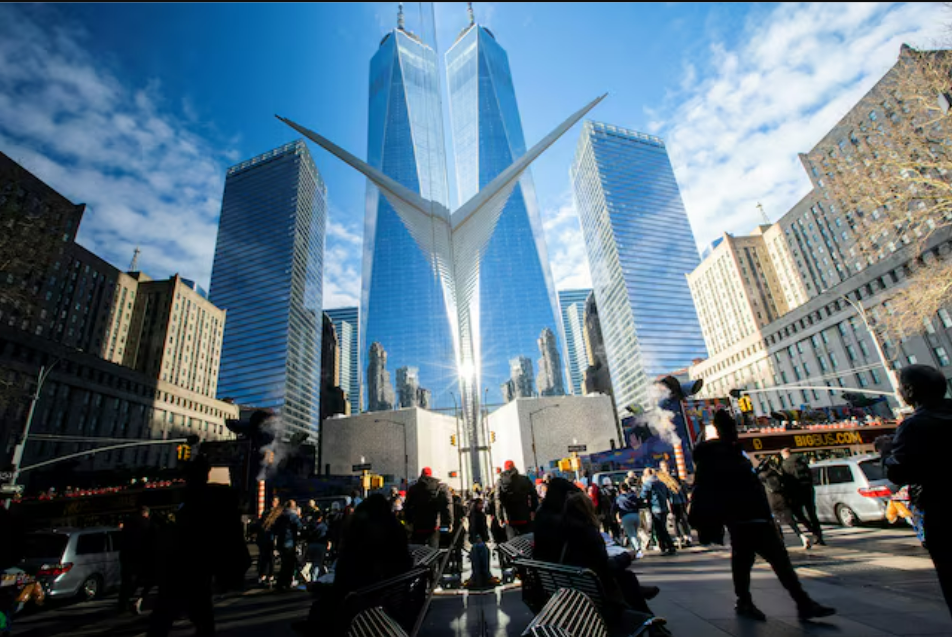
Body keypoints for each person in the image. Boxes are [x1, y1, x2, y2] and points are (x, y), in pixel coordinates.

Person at [689, 410, 835, 622]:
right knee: (773, 561)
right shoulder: (719, 455)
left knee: (748, 561)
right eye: (731, 428)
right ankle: (798, 602)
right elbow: (708, 489)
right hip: (744, 515)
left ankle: (754, 602)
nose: (735, 432)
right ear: (723, 431)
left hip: (749, 515)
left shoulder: (729, 453)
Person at [534, 479, 664, 634]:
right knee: (625, 578)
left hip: (562, 579)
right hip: (587, 586)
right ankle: (651, 621)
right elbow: (603, 566)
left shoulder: (549, 519)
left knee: (626, 578)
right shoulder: (582, 531)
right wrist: (626, 557)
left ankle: (639, 595)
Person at [147, 455, 250, 637]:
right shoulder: (218, 497)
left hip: (185, 565)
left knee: (168, 614)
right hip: (197, 566)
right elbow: (231, 531)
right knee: (199, 614)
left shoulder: (199, 499)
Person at [886, 364, 952, 618]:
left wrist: (886, 453)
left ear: (911, 391)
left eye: (901, 387)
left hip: (942, 511)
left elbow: (899, 471)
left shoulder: (914, 426)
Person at [297, 494, 414, 636]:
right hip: (384, 587)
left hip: (364, 590)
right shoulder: (394, 529)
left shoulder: (360, 533)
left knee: (325, 605)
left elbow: (346, 576)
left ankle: (315, 627)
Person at [757, 459, 811, 549]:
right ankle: (802, 536)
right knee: (791, 521)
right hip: (782, 499)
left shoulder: (761, 476)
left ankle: (780, 541)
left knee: (775, 523)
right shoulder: (776, 473)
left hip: (771, 501)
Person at [780, 448, 825, 545]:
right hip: (808, 490)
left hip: (796, 492)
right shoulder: (802, 462)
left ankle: (813, 531)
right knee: (812, 514)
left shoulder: (786, 465)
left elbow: (786, 480)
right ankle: (819, 536)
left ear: (784, 454)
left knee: (798, 514)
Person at [118, 505, 157, 615]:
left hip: (126, 556)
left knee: (126, 582)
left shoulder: (127, 523)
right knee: (149, 580)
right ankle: (138, 600)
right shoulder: (149, 524)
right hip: (143, 557)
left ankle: (123, 605)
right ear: (146, 513)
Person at [404, 467, 453, 548]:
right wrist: (449, 521)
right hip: (433, 526)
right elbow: (448, 504)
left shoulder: (413, 488)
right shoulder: (439, 487)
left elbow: (407, 506)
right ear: (431, 475)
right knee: (433, 553)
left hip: (418, 525)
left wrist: (408, 521)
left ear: (421, 475)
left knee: (418, 553)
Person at [494, 460, 539, 539]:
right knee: (527, 542)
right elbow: (534, 495)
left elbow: (498, 500)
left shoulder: (500, 481)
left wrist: (500, 517)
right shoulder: (524, 479)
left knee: (513, 545)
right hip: (525, 516)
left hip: (509, 519)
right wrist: (533, 510)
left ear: (505, 468)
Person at [464, 497, 500, 589]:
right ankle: (486, 575)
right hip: (478, 539)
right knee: (482, 552)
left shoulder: (478, 514)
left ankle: (478, 576)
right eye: (480, 504)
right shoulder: (475, 515)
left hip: (479, 539)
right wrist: (478, 537)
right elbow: (474, 528)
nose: (482, 506)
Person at [640, 468, 676, 555]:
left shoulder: (648, 484)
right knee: (663, 528)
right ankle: (668, 546)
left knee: (659, 529)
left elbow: (643, 495)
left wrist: (640, 502)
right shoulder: (661, 483)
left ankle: (665, 547)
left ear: (646, 475)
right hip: (663, 507)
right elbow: (668, 494)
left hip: (655, 508)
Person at [658, 461, 692, 547]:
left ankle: (686, 536)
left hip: (679, 500)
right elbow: (664, 492)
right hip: (671, 501)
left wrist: (685, 499)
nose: (666, 468)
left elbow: (681, 488)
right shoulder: (661, 478)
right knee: (675, 520)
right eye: (664, 466)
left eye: (666, 466)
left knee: (683, 518)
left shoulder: (674, 477)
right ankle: (678, 537)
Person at [272, 500, 302, 591]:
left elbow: (275, 528)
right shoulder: (292, 515)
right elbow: (299, 526)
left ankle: (281, 582)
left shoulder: (281, 516)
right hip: (289, 542)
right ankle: (286, 582)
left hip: (281, 541)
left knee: (284, 563)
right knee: (289, 564)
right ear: (293, 506)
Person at [613, 481, 644, 558]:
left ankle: (637, 550)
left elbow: (614, 509)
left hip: (626, 516)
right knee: (635, 533)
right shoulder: (633, 496)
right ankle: (636, 548)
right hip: (636, 515)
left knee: (631, 534)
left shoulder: (618, 498)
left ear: (620, 489)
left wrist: (615, 517)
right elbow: (640, 503)